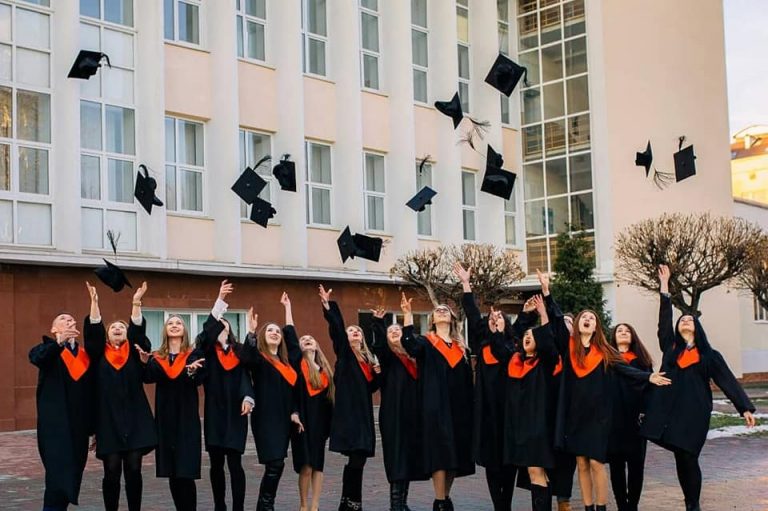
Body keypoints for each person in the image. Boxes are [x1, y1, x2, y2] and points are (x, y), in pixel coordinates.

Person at [548, 274, 671, 511]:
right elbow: (556, 319)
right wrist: (547, 292)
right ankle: (588, 507)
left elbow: (626, 370)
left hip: (598, 418)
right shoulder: (570, 349)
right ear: (578, 324)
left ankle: (602, 507)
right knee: (581, 463)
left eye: (592, 318)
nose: (588, 319)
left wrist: (648, 376)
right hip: (575, 417)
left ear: (597, 327)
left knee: (596, 463)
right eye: (584, 317)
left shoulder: (603, 352)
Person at [640, 265, 756, 511]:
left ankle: (693, 504)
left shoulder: (709, 355)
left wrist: (744, 408)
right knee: (681, 456)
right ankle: (691, 503)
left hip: (695, 412)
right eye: (682, 320)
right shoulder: (670, 348)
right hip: (670, 410)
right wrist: (664, 287)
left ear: (697, 328)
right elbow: (664, 321)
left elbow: (727, 380)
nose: (685, 321)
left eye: (689, 320)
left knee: (689, 456)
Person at [454, 262, 536, 511]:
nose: (494, 318)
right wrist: (466, 284)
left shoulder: (513, 343)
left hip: (508, 411)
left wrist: (525, 312)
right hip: (487, 412)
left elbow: (519, 330)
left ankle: (505, 505)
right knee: (491, 463)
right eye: (491, 317)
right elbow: (472, 313)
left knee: (508, 462)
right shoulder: (483, 341)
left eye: (499, 317)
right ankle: (499, 506)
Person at [83, 281, 156, 511]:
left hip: (135, 420)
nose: (117, 329)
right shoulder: (98, 355)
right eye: (113, 327)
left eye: (121, 327)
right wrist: (94, 303)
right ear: (106, 334)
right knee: (111, 471)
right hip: (108, 421)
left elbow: (138, 332)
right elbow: (93, 331)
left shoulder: (134, 353)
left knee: (134, 469)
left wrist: (136, 303)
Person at [400, 292, 474, 511]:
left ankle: (446, 497)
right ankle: (439, 501)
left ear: (452, 318)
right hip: (435, 406)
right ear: (432, 320)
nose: (441, 311)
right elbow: (410, 346)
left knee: (454, 456)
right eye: (437, 310)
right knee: (440, 453)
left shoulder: (461, 348)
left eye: (445, 310)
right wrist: (407, 315)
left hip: (459, 408)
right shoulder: (426, 342)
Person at [318, 285, 380, 511]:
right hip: (348, 415)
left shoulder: (368, 360)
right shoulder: (344, 354)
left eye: (358, 331)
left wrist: (378, 375)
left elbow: (371, 388)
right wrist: (328, 306)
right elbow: (336, 328)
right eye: (351, 330)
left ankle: (348, 501)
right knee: (356, 458)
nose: (355, 332)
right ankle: (353, 502)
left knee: (358, 460)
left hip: (363, 416)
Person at [195, 280, 255, 511]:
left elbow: (247, 378)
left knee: (235, 463)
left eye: (224, 324)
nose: (220, 327)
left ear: (229, 330)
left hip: (235, 414)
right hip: (214, 414)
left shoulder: (239, 353)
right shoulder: (207, 354)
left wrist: (248, 398)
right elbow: (206, 333)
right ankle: (219, 505)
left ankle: (238, 507)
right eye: (216, 326)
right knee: (216, 463)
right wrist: (219, 301)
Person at [498, 295, 559, 511]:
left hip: (538, 427)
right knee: (536, 473)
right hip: (520, 428)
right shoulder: (514, 362)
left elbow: (549, 343)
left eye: (532, 336)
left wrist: (543, 314)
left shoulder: (545, 363)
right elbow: (507, 340)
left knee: (535, 470)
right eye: (525, 335)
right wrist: (520, 317)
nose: (527, 337)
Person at [29, 304, 93, 511]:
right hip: (54, 428)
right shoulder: (47, 350)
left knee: (72, 476)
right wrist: (59, 342)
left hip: (78, 428)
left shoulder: (84, 356)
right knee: (57, 477)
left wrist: (93, 429)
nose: (69, 321)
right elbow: (36, 358)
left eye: (71, 319)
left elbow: (91, 394)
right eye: (63, 319)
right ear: (53, 329)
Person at [242, 293, 302, 511]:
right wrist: (251, 332)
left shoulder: (287, 363)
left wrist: (288, 309)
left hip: (285, 418)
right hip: (266, 418)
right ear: (262, 336)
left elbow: (293, 343)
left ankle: (265, 506)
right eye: (270, 331)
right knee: (274, 463)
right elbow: (246, 358)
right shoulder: (259, 359)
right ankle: (266, 507)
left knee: (277, 464)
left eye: (278, 331)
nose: (275, 333)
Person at [141, 314, 206, 511]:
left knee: (185, 472)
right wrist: (144, 363)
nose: (175, 325)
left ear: (184, 330)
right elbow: (148, 378)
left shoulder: (193, 355)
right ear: (165, 330)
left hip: (187, 420)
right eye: (170, 323)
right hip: (165, 420)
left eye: (179, 323)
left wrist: (192, 371)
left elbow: (200, 379)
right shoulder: (158, 357)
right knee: (172, 472)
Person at [371, 306, 426, 511]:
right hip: (393, 414)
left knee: (408, 457)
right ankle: (395, 504)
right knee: (396, 457)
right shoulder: (388, 357)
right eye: (390, 331)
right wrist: (378, 323)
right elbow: (379, 346)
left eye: (398, 330)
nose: (394, 332)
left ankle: (402, 503)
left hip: (413, 414)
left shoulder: (415, 358)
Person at [607, 323, 654, 511]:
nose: (624, 333)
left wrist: (646, 413)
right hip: (613, 421)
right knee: (616, 468)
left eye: (627, 331)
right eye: (619, 331)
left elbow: (650, 390)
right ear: (613, 337)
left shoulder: (642, 362)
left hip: (636, 422)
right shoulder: (608, 361)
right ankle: (621, 506)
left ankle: (632, 506)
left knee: (636, 468)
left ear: (633, 337)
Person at [290, 326, 334, 511]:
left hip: (320, 423)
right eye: (303, 339)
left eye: (311, 338)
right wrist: (294, 412)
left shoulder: (326, 372)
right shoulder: (297, 365)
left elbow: (330, 401)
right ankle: (303, 505)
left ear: (317, 346)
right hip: (302, 421)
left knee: (318, 465)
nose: (307, 340)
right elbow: (292, 393)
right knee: (306, 465)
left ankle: (315, 506)